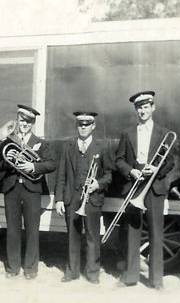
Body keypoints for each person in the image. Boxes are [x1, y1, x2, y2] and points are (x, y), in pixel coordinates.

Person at [115, 91, 175, 289]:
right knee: (133, 232)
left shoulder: (164, 133)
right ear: (136, 110)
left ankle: (156, 280)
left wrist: (156, 170)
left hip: (154, 186)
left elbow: (171, 162)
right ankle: (131, 277)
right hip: (134, 184)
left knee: (156, 233)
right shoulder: (127, 133)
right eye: (139, 107)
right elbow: (119, 160)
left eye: (146, 106)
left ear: (153, 108)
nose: (143, 110)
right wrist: (131, 171)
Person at [0, 104, 56, 280]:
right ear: (17, 120)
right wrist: (9, 161)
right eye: (22, 120)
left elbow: (52, 164)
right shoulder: (7, 141)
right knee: (12, 230)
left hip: (32, 190)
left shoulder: (40, 143)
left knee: (32, 230)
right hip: (12, 189)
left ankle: (30, 268)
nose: (24, 124)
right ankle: (13, 267)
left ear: (33, 123)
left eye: (28, 122)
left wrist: (33, 166)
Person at [54, 111, 112, 284]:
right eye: (81, 124)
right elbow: (61, 175)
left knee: (93, 237)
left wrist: (98, 184)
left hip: (93, 199)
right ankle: (72, 271)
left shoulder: (102, 147)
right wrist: (58, 199)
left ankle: (93, 273)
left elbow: (109, 175)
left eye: (87, 124)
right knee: (72, 236)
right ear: (77, 126)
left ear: (93, 126)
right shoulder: (68, 146)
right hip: (72, 198)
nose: (84, 127)